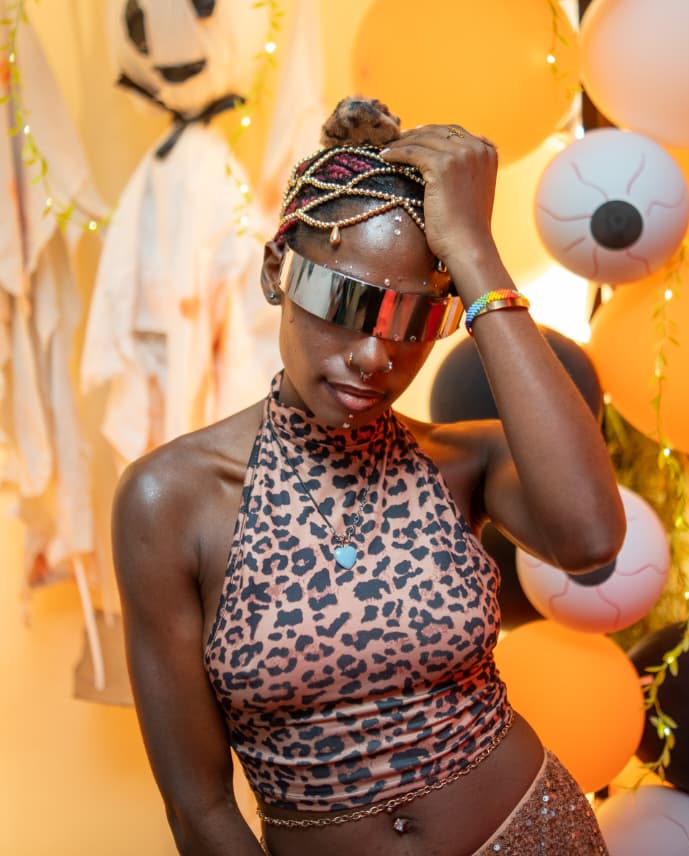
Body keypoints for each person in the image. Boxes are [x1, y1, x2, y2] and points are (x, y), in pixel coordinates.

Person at [113, 96, 625, 856]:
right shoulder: (172, 499)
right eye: (345, 301)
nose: (375, 356)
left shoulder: (462, 463)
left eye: (415, 321)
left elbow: (589, 540)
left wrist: (475, 253)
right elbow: (199, 808)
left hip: (534, 835)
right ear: (276, 272)